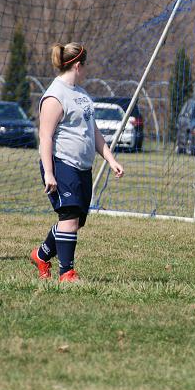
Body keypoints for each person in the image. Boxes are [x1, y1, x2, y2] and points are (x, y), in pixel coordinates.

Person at [29, 42, 124, 282]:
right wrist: (49, 173)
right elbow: (45, 137)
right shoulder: (55, 95)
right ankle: (67, 274)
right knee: (69, 218)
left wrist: (110, 159)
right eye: (86, 66)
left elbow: (93, 131)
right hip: (62, 164)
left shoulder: (82, 95)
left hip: (82, 167)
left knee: (76, 221)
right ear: (78, 65)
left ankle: (41, 255)